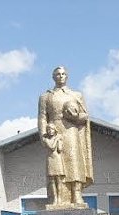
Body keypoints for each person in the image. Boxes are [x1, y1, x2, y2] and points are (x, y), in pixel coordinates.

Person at [38, 66, 93, 206]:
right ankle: (58, 198)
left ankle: (76, 194)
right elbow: (42, 117)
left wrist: (75, 117)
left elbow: (85, 116)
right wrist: (43, 137)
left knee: (74, 161)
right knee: (56, 167)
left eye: (63, 74)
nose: (60, 76)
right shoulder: (46, 96)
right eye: (57, 74)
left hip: (71, 131)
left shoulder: (76, 95)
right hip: (53, 131)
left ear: (67, 76)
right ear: (53, 77)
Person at [41, 123, 66, 206]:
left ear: (54, 130)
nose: (50, 131)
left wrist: (60, 141)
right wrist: (56, 138)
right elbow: (51, 147)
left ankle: (60, 198)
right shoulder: (46, 139)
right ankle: (55, 198)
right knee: (52, 181)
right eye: (48, 129)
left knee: (59, 180)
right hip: (50, 160)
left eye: (51, 129)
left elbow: (60, 149)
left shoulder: (58, 138)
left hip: (57, 159)